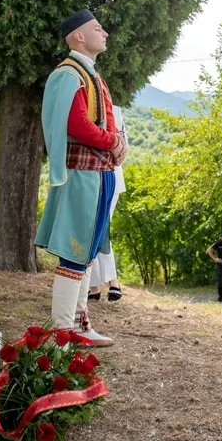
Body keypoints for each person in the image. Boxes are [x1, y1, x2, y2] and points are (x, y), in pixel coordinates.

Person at [34, 9, 128, 347]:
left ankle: (78, 324)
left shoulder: (93, 77)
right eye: (97, 28)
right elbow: (76, 126)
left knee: (87, 252)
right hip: (80, 175)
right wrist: (111, 142)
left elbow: (107, 122)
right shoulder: (67, 74)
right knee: (74, 252)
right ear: (78, 36)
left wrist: (116, 144)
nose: (104, 32)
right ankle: (62, 331)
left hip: (100, 174)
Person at [88, 105, 127, 303]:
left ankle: (112, 280)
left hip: (110, 176)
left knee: (102, 230)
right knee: (91, 230)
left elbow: (122, 146)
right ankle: (94, 285)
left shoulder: (114, 110)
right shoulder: (86, 104)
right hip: (88, 176)